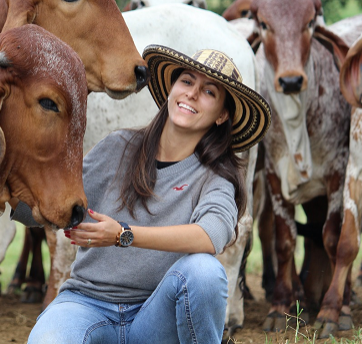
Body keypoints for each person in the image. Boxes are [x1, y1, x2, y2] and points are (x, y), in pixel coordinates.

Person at [27, 45, 271, 344]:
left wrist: (123, 234)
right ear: (172, 88)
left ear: (221, 115)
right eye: (186, 81)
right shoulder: (118, 147)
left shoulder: (217, 177)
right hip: (87, 303)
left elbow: (211, 236)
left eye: (209, 92)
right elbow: (52, 204)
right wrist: (10, 191)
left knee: (205, 272)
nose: (192, 94)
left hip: (156, 317)